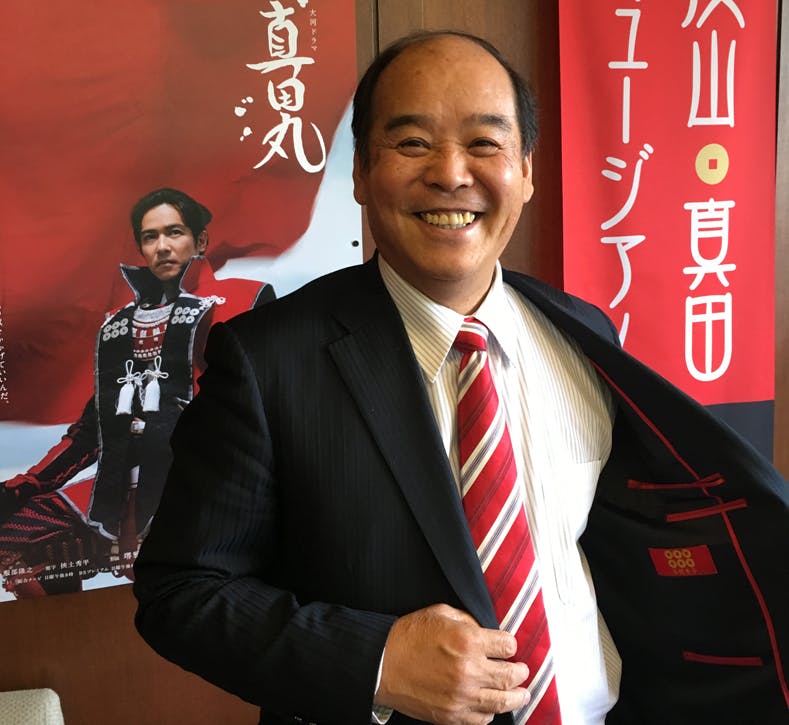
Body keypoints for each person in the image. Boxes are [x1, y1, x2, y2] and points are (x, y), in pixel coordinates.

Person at [132, 33, 789, 725]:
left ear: (525, 171)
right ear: (361, 173)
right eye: (413, 143)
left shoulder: (583, 331)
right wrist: (377, 662)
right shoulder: (266, 360)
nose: (450, 173)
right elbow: (182, 590)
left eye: (483, 143)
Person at [0, 188, 274, 597]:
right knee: (11, 534)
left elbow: (273, 404)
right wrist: (27, 483)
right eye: (150, 237)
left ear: (200, 240)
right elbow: (91, 431)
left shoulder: (246, 297)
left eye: (174, 232)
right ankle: (76, 630)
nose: (162, 246)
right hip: (116, 490)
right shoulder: (118, 323)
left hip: (209, 485)